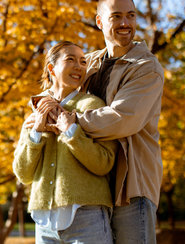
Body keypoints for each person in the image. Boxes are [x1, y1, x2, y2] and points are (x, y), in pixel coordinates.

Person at [34, 0, 164, 244]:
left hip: (131, 185)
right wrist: (38, 110)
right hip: (94, 184)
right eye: (116, 16)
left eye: (131, 16)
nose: (125, 23)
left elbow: (123, 118)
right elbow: (57, 91)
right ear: (100, 21)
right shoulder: (89, 62)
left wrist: (69, 122)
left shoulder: (146, 68)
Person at [13, 41, 118, 244]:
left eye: (83, 61)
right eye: (70, 59)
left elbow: (104, 163)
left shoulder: (92, 106)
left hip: (87, 217)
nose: (79, 66)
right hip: (44, 223)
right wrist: (37, 133)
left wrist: (71, 132)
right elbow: (23, 173)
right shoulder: (36, 111)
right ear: (51, 68)